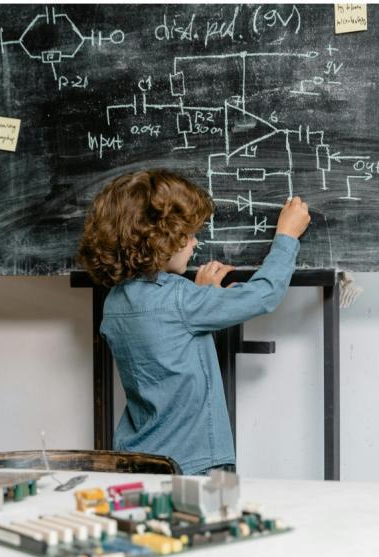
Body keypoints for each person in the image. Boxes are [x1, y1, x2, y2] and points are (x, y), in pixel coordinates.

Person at [76, 170, 310, 475]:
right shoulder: (181, 301)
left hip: (136, 459)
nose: (195, 242)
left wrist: (200, 296)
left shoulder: (114, 303)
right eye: (187, 235)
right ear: (160, 239)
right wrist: (287, 237)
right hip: (192, 464)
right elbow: (264, 295)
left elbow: (167, 339)